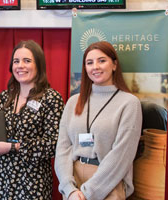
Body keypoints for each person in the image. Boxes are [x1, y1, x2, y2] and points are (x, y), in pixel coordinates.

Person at [55, 41, 142, 200]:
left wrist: (88, 192)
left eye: (102, 60)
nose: (95, 66)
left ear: (114, 65)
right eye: (90, 62)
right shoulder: (74, 102)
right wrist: (69, 188)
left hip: (108, 183)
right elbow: (63, 147)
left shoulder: (129, 103)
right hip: (73, 184)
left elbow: (122, 155)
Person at [0, 40, 64, 199]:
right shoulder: (4, 97)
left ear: (38, 65)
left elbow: (54, 143)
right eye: (16, 61)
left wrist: (14, 146)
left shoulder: (51, 98)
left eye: (27, 61)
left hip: (31, 181)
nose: (20, 66)